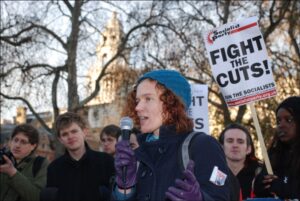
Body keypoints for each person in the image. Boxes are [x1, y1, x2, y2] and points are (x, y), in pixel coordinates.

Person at [113, 69, 230, 201]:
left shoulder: (203, 145)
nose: (138, 107)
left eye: (148, 99)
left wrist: (201, 199)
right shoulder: (138, 151)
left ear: (172, 103)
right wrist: (124, 189)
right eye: (138, 100)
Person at [43, 112, 115, 201]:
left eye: (74, 131)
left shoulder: (106, 162)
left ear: (84, 132)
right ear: (60, 139)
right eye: (65, 134)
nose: (70, 136)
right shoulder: (54, 168)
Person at [254, 96, 300, 200]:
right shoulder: (274, 154)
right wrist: (261, 183)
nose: (281, 125)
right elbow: (261, 190)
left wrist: (280, 186)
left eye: (289, 120)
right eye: (278, 121)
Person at [0, 124, 48, 201]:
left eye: (23, 142)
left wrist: (12, 173)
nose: (17, 145)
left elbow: (37, 197)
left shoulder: (41, 164)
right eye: (15, 140)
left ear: (33, 146)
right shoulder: (2, 159)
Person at [219, 123, 262, 200]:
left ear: (249, 149)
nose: (235, 145)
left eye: (240, 142)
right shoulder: (213, 172)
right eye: (230, 141)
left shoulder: (260, 174)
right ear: (221, 147)